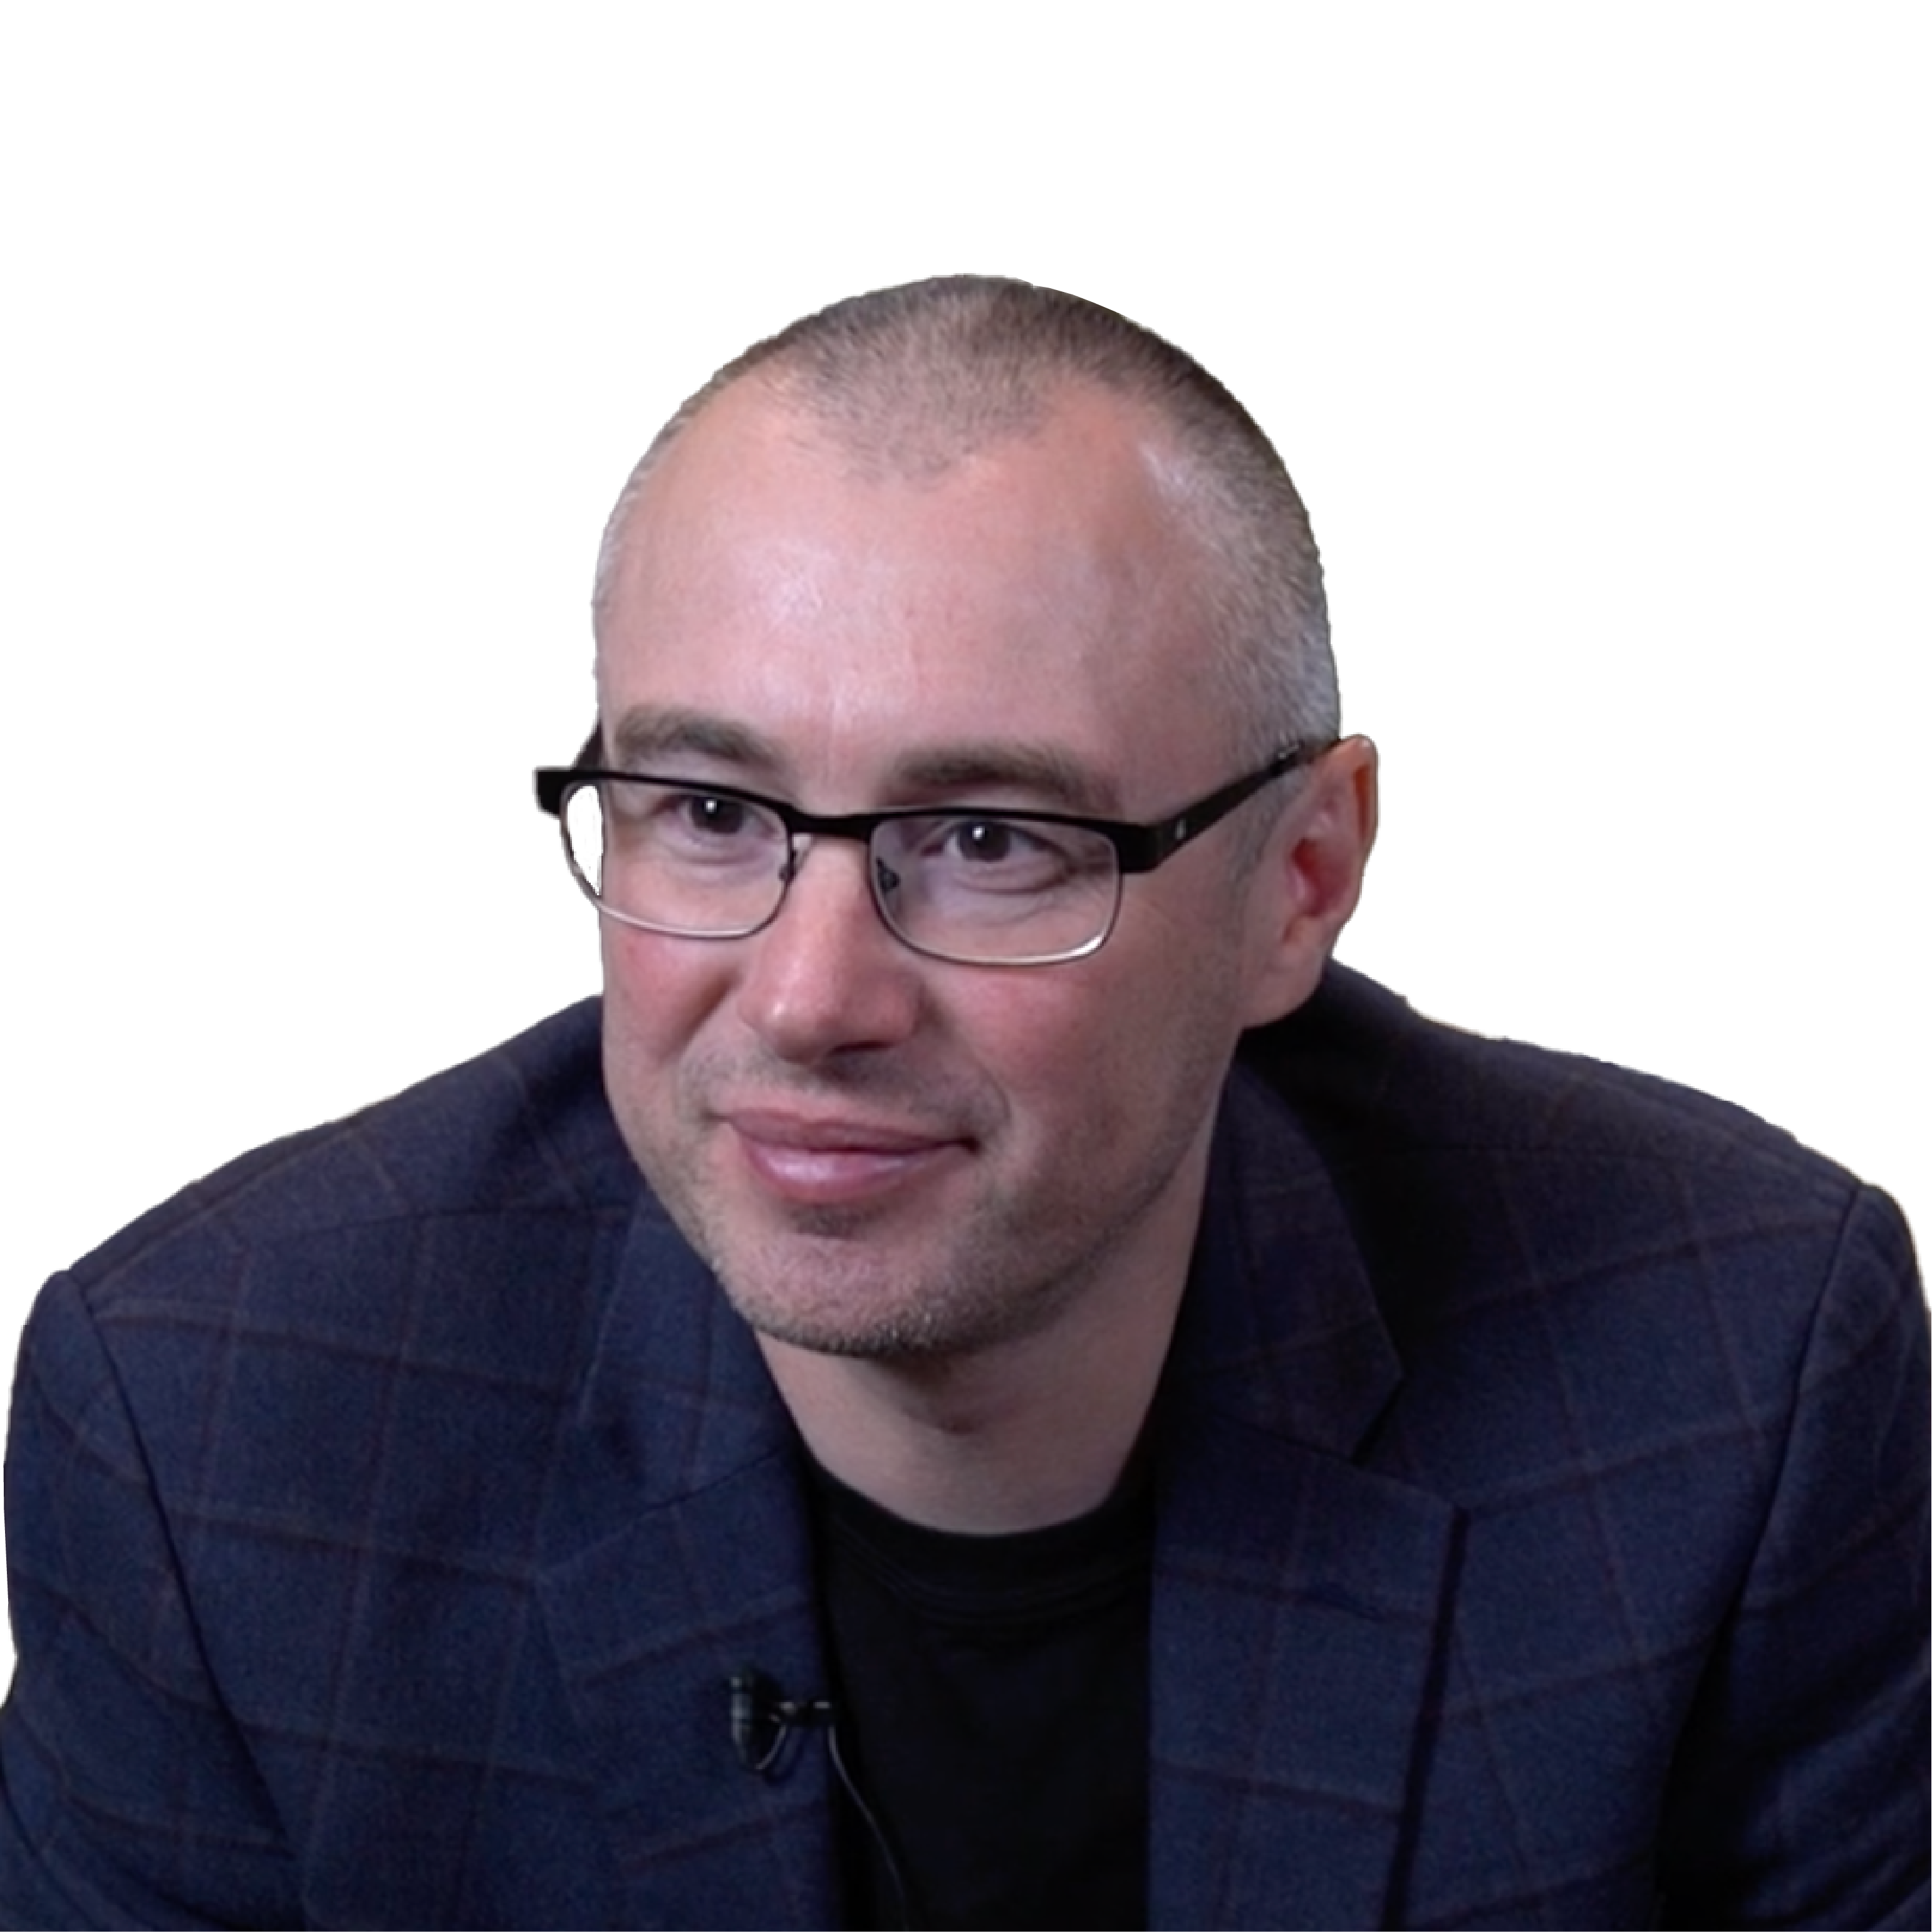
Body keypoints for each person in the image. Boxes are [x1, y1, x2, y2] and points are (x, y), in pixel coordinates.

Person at [0, 276, 1923, 1932]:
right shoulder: (216, 1424)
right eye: (708, 813)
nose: (811, 995)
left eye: (989, 837)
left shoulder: (1738, 1367)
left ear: (1299, 882)